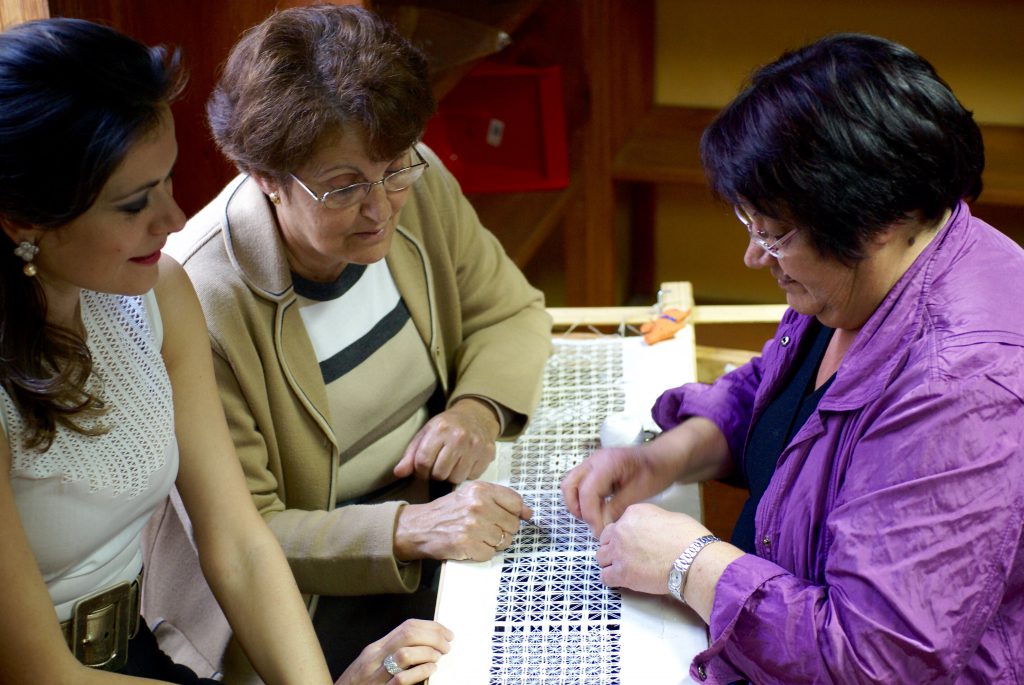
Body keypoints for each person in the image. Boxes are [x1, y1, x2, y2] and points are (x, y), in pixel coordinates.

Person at [0, 17, 454, 685]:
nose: (175, 219)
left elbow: (239, 542)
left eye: (167, 181)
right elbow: (40, 670)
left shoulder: (157, 293)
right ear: (23, 218)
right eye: (133, 204)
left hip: (133, 654)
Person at [561, 33, 1024, 684]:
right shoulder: (861, 279)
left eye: (773, 234)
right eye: (751, 226)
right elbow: (779, 394)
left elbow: (877, 658)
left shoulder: (965, 386)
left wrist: (690, 563)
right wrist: (661, 456)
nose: (755, 257)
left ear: (880, 218)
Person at [143, 4, 552, 680]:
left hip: (429, 528)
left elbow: (510, 310)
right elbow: (247, 534)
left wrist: (476, 408)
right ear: (265, 178)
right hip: (295, 600)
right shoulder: (201, 295)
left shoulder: (412, 184)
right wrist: (406, 529)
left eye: (395, 168)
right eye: (342, 187)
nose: (381, 207)